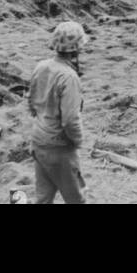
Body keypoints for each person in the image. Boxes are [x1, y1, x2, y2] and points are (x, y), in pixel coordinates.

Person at [28, 21, 87, 204]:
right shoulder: (69, 77)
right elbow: (70, 120)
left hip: (39, 143)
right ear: (75, 50)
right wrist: (77, 141)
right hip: (60, 149)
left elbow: (30, 102)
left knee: (43, 198)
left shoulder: (41, 66)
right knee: (76, 199)